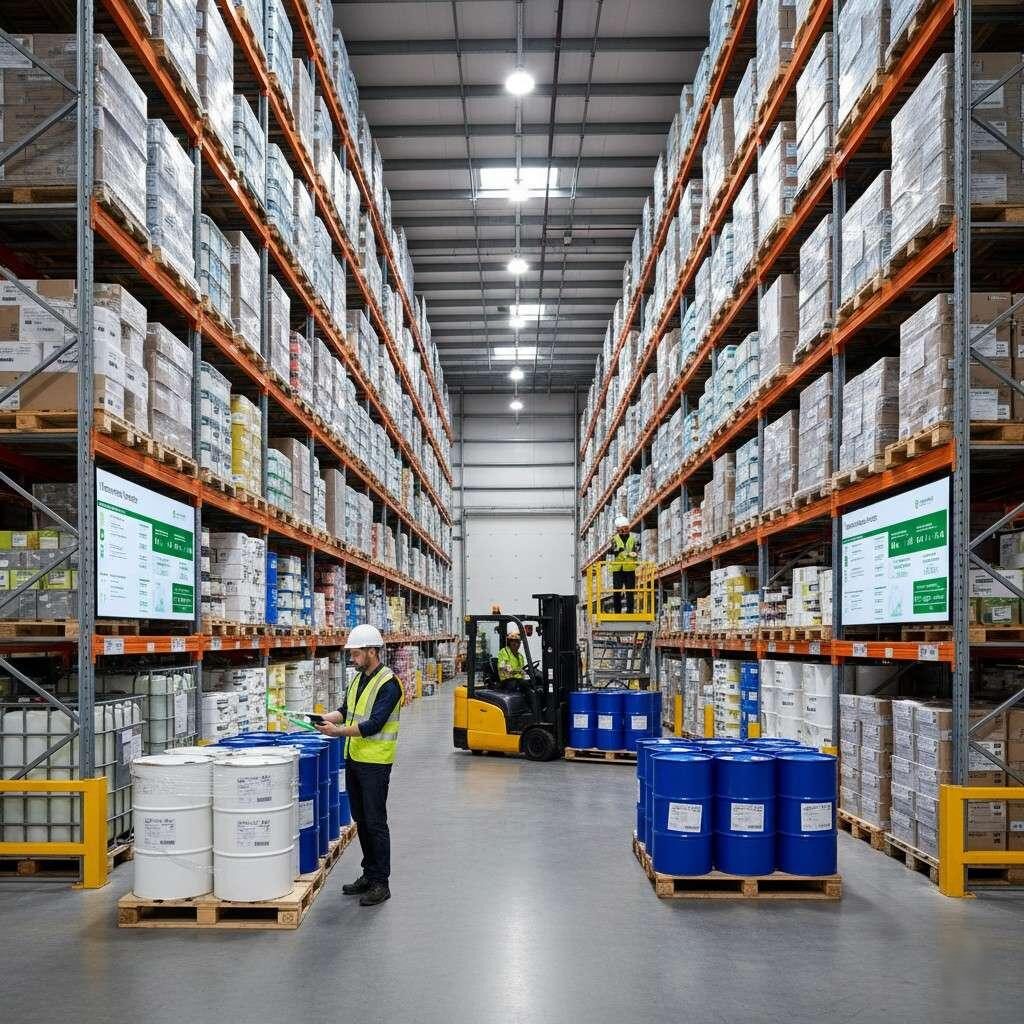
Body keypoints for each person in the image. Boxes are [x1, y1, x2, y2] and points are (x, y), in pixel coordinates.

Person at [314, 624, 401, 906]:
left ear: (372, 651)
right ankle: (369, 873)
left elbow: (374, 724)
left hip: (375, 763)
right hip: (354, 759)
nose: (351, 658)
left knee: (376, 823)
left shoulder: (389, 683)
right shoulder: (359, 679)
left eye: (356, 653)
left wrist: (337, 733)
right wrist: (319, 719)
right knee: (361, 821)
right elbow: (345, 711)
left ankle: (381, 883)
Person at [607, 514, 640, 614]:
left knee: (630, 591)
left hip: (630, 568)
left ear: (628, 528)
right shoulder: (614, 538)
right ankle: (617, 611)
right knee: (617, 591)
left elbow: (638, 548)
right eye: (621, 529)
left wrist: (635, 553)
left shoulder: (634, 538)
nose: (623, 531)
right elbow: (611, 550)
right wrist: (617, 550)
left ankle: (630, 611)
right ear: (618, 529)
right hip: (618, 569)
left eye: (625, 529)